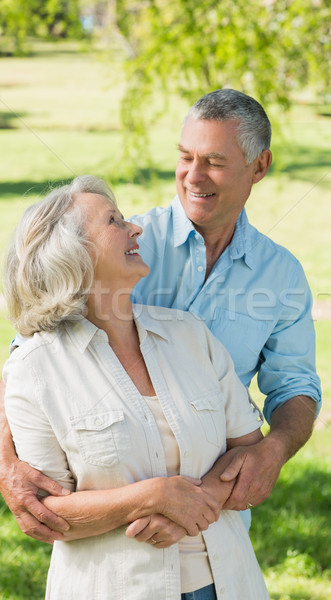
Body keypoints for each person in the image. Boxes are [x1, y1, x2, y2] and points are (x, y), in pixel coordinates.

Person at [0, 88, 321, 544]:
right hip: (114, 528)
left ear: (259, 166)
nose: (194, 175)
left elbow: (295, 386)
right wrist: (5, 462)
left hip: (217, 524)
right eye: (186, 156)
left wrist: (275, 449)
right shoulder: (124, 247)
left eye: (214, 161)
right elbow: (31, 354)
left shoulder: (281, 275)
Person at [2, 175, 270, 600]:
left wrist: (190, 506)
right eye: (114, 221)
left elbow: (249, 449)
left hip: (228, 583)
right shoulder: (35, 370)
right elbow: (46, 513)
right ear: (74, 256)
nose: (135, 228)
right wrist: (152, 496)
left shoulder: (189, 335)